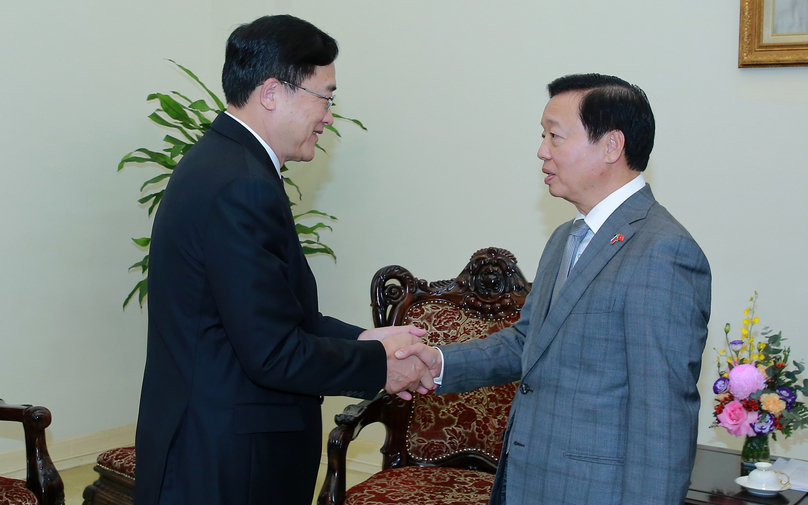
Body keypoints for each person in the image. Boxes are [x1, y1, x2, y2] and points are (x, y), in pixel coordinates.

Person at [134, 15, 432, 505]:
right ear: (272, 92)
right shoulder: (242, 184)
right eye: (326, 96)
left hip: (214, 446)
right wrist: (381, 365)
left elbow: (279, 316)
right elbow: (272, 353)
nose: (330, 116)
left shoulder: (222, 163)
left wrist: (361, 338)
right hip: (226, 464)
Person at [398, 73, 711, 504]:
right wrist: (436, 361)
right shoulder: (567, 236)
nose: (542, 151)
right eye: (542, 136)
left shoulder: (662, 251)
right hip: (528, 479)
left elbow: (662, 416)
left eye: (555, 137)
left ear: (611, 146)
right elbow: (528, 342)